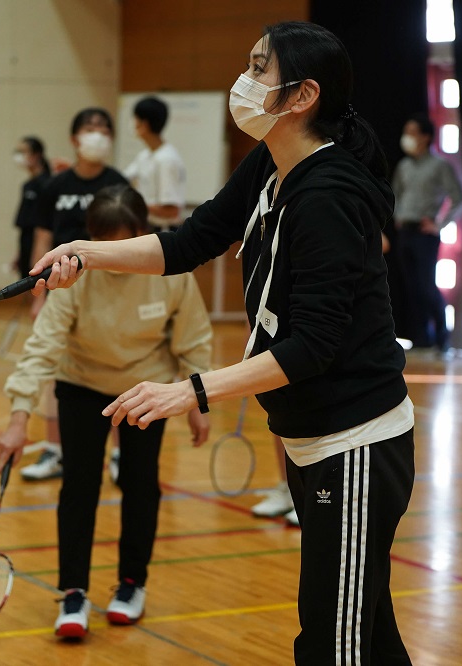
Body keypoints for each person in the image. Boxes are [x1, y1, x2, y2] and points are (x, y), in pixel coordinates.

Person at [30, 21, 416, 665]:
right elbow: (189, 241)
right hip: (313, 440)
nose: (244, 81)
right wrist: (85, 252)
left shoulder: (328, 197)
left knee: (333, 645)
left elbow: (313, 346)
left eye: (260, 69)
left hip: (356, 446)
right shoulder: (272, 162)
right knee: (367, 635)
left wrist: (191, 390)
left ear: (302, 96)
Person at [0, 185, 212, 639]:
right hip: (82, 385)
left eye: (124, 241)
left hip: (144, 390)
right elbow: (43, 346)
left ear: (142, 232)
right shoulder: (77, 276)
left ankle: (132, 584)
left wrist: (198, 400)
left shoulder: (171, 269)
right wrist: (19, 417)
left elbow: (193, 338)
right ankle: (73, 593)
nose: (114, 254)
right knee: (78, 486)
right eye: (104, 242)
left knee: (140, 484)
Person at [20, 108, 128, 482]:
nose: (96, 134)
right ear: (75, 137)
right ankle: (54, 450)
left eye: (103, 128)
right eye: (89, 128)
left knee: (115, 368)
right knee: (55, 370)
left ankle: (118, 453)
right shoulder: (55, 186)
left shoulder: (119, 184)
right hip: (59, 293)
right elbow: (43, 238)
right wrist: (37, 296)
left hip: (109, 293)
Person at [391, 114, 462, 353]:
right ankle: (421, 338)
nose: (408, 137)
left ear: (426, 137)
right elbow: (394, 195)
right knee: (411, 286)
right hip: (405, 231)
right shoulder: (404, 166)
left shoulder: (439, 165)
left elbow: (459, 197)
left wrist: (440, 224)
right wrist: (397, 217)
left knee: (426, 285)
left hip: (426, 233)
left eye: (412, 132)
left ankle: (443, 338)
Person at [122, 96, 187, 231]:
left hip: (163, 232)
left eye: (135, 118)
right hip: (146, 227)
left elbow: (171, 210)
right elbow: (120, 178)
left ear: (144, 124)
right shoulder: (145, 155)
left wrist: (134, 205)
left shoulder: (167, 159)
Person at [12, 136, 51, 280]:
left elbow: (42, 226)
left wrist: (36, 254)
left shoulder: (47, 184)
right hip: (26, 242)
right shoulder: (28, 185)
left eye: (23, 151)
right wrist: (19, 253)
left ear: (37, 155)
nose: (19, 156)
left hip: (39, 246)